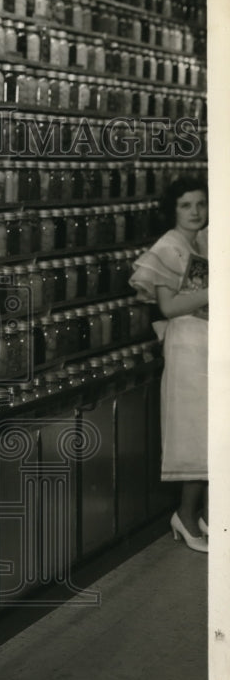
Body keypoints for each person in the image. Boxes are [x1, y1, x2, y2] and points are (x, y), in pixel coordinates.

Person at [129, 175, 208, 553]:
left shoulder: (204, 240)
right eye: (186, 205)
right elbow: (168, 307)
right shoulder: (167, 248)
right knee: (193, 433)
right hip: (187, 345)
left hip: (207, 343)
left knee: (209, 431)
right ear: (172, 210)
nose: (195, 212)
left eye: (200, 204)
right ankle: (186, 516)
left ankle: (202, 515)